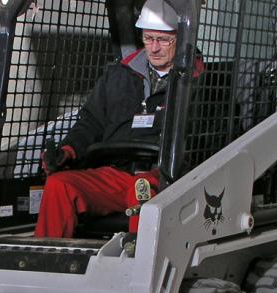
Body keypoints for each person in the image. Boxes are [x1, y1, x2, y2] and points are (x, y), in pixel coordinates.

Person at [35, 0, 191, 238]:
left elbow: (201, 140)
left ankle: (138, 267)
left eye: (163, 40)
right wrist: (67, 150)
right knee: (59, 185)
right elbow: (91, 122)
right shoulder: (118, 75)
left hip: (164, 176)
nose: (154, 48)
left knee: (141, 191)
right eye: (148, 38)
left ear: (180, 37)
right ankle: (44, 264)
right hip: (115, 172)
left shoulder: (197, 81)